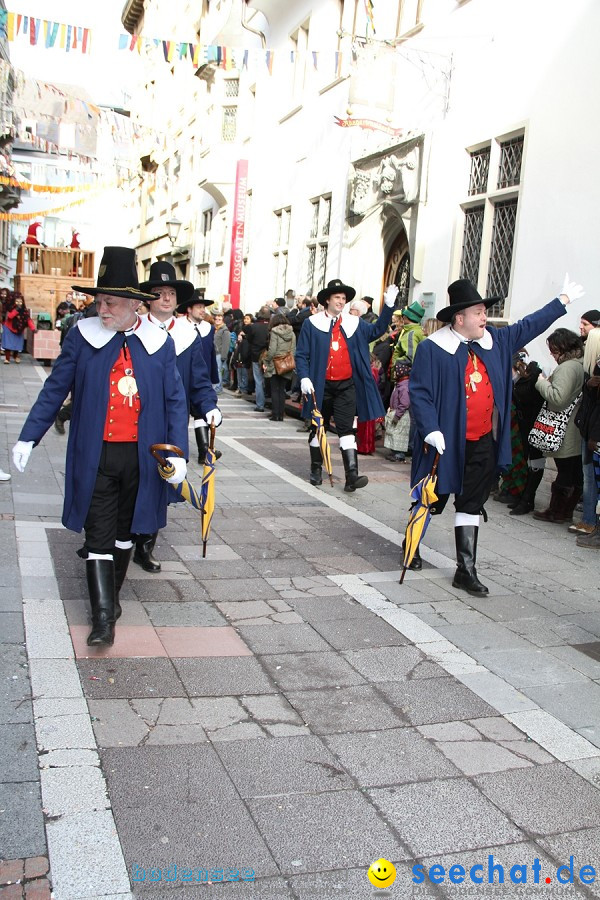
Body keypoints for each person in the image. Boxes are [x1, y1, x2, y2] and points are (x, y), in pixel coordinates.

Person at [11, 247, 189, 646]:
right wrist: (29, 435)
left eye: (108, 302)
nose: (100, 308)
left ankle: (112, 599)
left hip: (142, 458)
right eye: (98, 300)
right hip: (96, 455)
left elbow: (176, 402)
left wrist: (177, 454)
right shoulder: (82, 335)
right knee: (98, 534)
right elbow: (56, 388)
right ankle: (103, 618)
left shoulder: (158, 342)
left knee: (127, 532)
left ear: (132, 304)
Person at [406, 274, 584, 595]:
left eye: (484, 311)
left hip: (482, 441)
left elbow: (532, 324)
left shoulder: (497, 341)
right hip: (445, 443)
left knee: (471, 503)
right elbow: (420, 394)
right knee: (433, 497)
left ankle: (466, 569)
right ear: (460, 318)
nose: (484, 316)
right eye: (478, 312)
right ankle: (412, 545)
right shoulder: (433, 349)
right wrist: (430, 429)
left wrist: (562, 302)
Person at [138, 261, 221, 571]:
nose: (166, 298)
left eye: (171, 293)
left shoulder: (189, 334)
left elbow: (199, 379)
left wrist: (209, 405)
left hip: (172, 421)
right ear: (148, 297)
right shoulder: (132, 329)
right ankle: (123, 535)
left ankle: (145, 545)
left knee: (163, 481)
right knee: (133, 478)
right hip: (137, 418)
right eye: (159, 292)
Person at [295, 278, 397, 491]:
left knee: (347, 429)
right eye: (337, 298)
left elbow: (378, 330)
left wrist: (388, 306)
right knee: (317, 428)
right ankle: (316, 469)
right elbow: (302, 355)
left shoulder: (354, 323)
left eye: (344, 298)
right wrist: (304, 377)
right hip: (320, 386)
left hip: (346, 386)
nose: (341, 301)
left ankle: (352, 475)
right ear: (327, 300)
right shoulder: (311, 324)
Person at [532, 328, 585, 524]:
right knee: (573, 471)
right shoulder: (580, 363)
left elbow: (558, 397)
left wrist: (541, 382)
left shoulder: (567, 368)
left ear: (562, 348)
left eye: (554, 351)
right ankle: (565, 511)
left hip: (564, 428)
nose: (552, 355)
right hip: (574, 427)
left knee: (565, 470)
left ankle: (557, 511)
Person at [573, 327, 600, 539]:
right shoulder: (592, 371)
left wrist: (594, 436)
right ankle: (589, 519)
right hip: (589, 429)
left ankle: (590, 521)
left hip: (594, 432)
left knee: (590, 478)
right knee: (588, 476)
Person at [264, 312, 296, 421]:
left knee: (274, 389)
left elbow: (272, 349)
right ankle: (281, 415)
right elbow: (293, 350)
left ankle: (275, 414)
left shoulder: (274, 332)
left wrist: (266, 360)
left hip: (275, 363)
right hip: (287, 363)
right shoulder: (292, 333)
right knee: (282, 389)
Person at [240, 307, 270, 412]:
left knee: (259, 380)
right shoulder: (271, 326)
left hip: (256, 356)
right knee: (271, 381)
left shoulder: (254, 327)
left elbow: (250, 339)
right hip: (269, 356)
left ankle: (260, 405)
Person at [385, 361, 411, 462]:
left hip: (401, 414)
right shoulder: (400, 384)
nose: (394, 373)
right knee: (394, 433)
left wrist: (397, 415)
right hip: (397, 412)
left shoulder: (404, 386)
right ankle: (395, 451)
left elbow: (404, 403)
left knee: (399, 433)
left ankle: (399, 454)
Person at [2, 293, 35, 364]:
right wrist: (16, 310)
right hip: (9, 328)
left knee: (17, 344)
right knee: (8, 344)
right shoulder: (11, 308)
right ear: (14, 302)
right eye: (17, 301)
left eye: (20, 302)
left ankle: (16, 356)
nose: (19, 303)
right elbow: (10, 317)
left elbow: (28, 320)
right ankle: (7, 358)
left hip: (19, 329)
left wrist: (33, 328)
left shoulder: (24, 311)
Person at [211, 309, 231, 393]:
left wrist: (223, 356)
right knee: (216, 370)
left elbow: (226, 344)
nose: (217, 321)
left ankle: (218, 387)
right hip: (213, 353)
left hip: (219, 354)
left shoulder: (225, 331)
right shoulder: (214, 329)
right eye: (216, 319)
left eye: (219, 319)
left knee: (218, 370)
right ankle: (216, 386)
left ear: (222, 320)